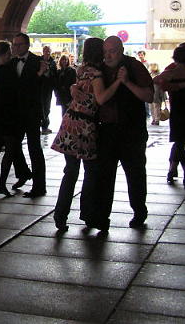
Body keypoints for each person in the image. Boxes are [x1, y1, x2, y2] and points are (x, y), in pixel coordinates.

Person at [51, 38, 122, 232]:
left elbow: (77, 88)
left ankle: (60, 214)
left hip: (70, 121)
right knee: (90, 172)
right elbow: (101, 98)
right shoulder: (97, 74)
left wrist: (73, 88)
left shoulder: (82, 70)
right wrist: (118, 81)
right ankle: (88, 214)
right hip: (84, 125)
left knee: (70, 171)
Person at [93, 36, 153, 230]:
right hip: (107, 129)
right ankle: (102, 217)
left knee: (135, 173)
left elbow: (149, 96)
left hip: (132, 130)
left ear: (121, 50)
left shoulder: (134, 67)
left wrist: (126, 82)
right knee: (105, 175)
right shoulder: (100, 69)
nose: (108, 56)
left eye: (112, 51)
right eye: (105, 52)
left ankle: (139, 211)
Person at [0, 41, 31, 195]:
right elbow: (17, 88)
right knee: (10, 149)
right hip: (9, 113)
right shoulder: (8, 70)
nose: (11, 55)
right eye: (9, 53)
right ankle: (2, 184)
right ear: (4, 54)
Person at [154, 46, 185, 190]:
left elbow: (156, 80)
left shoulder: (172, 72)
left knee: (179, 142)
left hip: (178, 111)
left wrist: (175, 85)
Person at [11, 33, 47, 198]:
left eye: (19, 44)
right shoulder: (13, 62)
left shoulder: (37, 62)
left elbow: (42, 87)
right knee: (13, 145)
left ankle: (39, 186)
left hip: (32, 112)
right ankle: (24, 173)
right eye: (14, 45)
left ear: (27, 45)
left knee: (34, 149)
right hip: (16, 112)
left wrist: (40, 74)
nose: (16, 47)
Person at [39, 45, 57, 134]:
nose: (47, 53)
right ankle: (41, 125)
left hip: (48, 88)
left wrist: (48, 71)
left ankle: (45, 126)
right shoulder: (38, 60)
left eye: (49, 51)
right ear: (43, 51)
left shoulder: (53, 62)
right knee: (40, 107)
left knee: (47, 107)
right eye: (46, 51)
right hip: (40, 87)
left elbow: (55, 75)